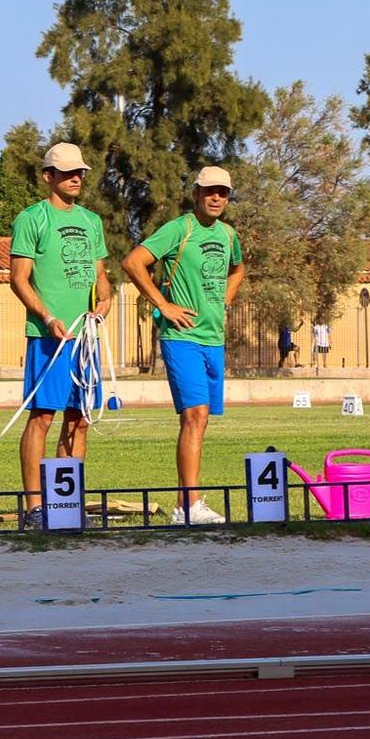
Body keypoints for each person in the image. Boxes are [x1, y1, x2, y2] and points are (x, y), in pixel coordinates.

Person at [123, 166, 245, 525]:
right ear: (196, 193)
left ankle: (185, 503)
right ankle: (189, 506)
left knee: (200, 421)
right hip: (182, 337)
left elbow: (238, 269)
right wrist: (163, 305)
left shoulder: (228, 235)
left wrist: (225, 298)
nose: (217, 198)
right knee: (195, 416)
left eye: (223, 192)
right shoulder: (180, 228)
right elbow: (133, 262)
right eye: (210, 191)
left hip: (213, 339)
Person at [8, 143, 113, 530]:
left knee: (80, 419)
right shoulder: (31, 219)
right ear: (47, 175)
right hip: (48, 337)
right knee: (42, 417)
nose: (75, 178)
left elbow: (101, 276)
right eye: (67, 172)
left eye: (80, 172)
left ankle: (66, 502)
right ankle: (35, 507)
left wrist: (106, 299)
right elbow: (19, 279)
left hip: (85, 340)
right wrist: (48, 316)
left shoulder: (91, 221)